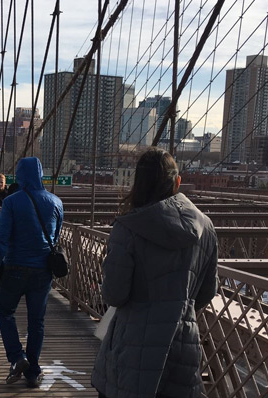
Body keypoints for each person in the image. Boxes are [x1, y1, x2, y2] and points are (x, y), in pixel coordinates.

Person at [91, 147, 218, 398]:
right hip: (182, 348)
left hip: (133, 348)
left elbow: (114, 294)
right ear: (177, 182)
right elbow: (206, 292)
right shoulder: (206, 227)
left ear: (137, 183)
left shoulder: (128, 228)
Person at [0, 157, 62, 388]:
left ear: (19, 175)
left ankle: (18, 358)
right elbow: (55, 237)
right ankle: (33, 373)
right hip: (43, 272)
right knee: (36, 322)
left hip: (15, 268)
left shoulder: (11, 202)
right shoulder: (56, 202)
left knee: (4, 311)